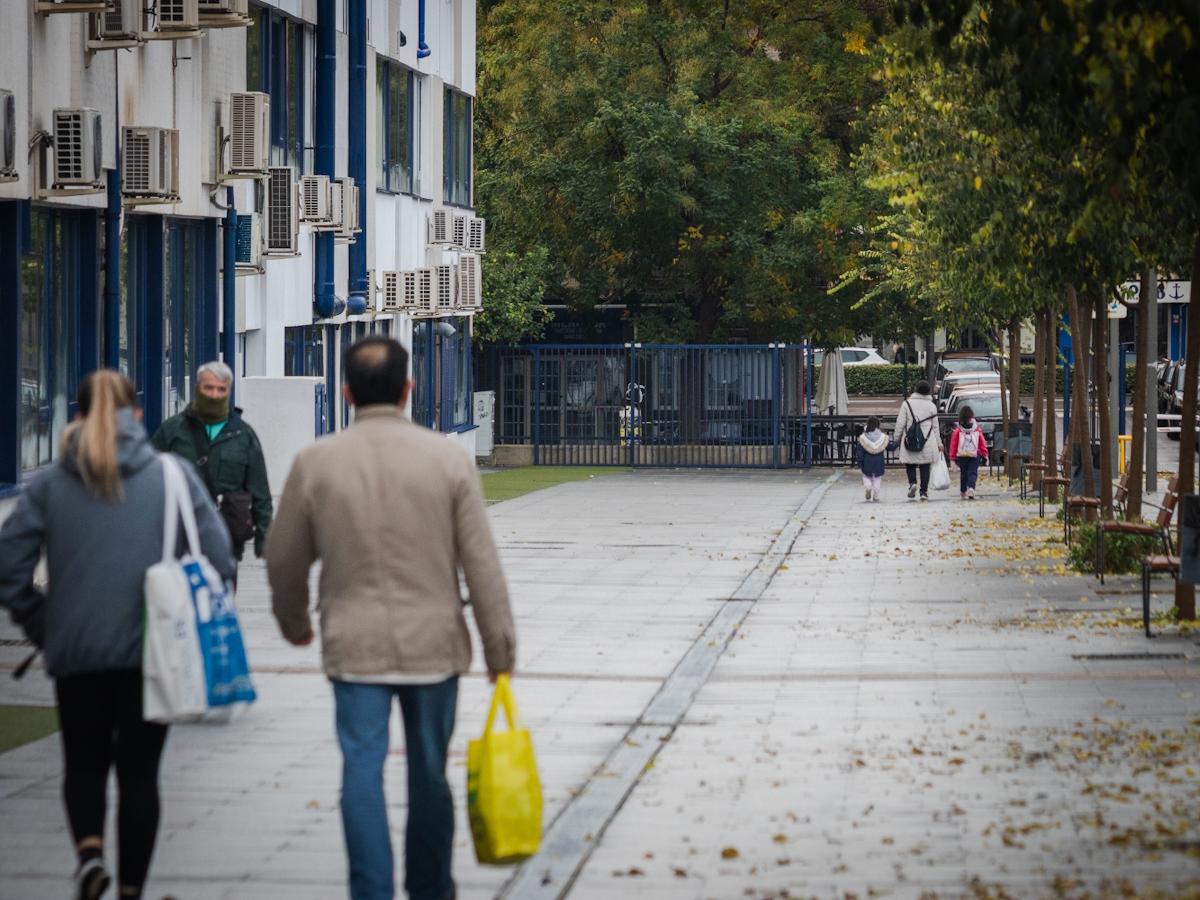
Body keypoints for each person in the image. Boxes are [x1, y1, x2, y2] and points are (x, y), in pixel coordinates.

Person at [265, 337, 516, 900]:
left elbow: (283, 557)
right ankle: (430, 889)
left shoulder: (315, 461)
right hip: (434, 646)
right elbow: (482, 564)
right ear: (408, 389)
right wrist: (500, 650)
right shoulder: (447, 458)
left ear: (348, 392)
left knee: (361, 768)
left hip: (354, 647)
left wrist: (293, 621)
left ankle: (370, 890)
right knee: (429, 774)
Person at [0, 370, 235, 900]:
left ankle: (88, 855)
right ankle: (131, 888)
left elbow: (8, 566)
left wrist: (43, 623)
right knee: (139, 775)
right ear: (137, 416)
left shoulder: (52, 483)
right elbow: (219, 559)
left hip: (77, 650)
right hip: (152, 653)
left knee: (82, 762)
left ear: (76, 416)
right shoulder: (172, 475)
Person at [151, 361, 272, 580]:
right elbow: (149, 480)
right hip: (179, 534)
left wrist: (264, 540)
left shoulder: (243, 436)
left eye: (221, 389)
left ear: (228, 391)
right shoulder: (172, 431)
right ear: (197, 388)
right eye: (208, 388)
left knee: (221, 602)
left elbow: (260, 492)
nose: (214, 395)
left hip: (227, 537)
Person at [893, 380, 944, 501]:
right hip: (927, 439)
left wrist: (896, 438)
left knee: (910, 463)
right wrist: (939, 443)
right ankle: (923, 492)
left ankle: (912, 483)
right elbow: (936, 427)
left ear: (916, 390)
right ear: (928, 392)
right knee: (925, 466)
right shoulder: (931, 406)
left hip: (910, 439)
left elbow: (900, 423)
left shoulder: (907, 404)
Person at [950, 405, 989, 500]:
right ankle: (971, 488)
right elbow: (981, 442)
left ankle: (963, 490)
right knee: (972, 472)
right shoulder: (976, 429)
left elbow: (953, 445)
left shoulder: (958, 431)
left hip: (962, 455)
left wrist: (952, 459)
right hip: (974, 454)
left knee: (964, 473)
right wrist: (985, 454)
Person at [856, 416, 894, 502]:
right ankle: (876, 495)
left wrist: (859, 462)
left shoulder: (863, 438)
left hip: (867, 461)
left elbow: (860, 452)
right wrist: (898, 442)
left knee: (866, 476)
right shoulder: (883, 438)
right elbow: (890, 447)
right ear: (878, 425)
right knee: (877, 479)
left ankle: (868, 487)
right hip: (879, 462)